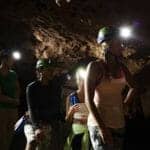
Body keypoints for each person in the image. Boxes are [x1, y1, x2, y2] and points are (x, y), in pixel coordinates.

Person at [85, 26, 138, 150]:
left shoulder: (122, 68)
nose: (122, 45)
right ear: (107, 44)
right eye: (118, 42)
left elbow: (134, 87)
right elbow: (88, 100)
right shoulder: (95, 67)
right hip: (99, 123)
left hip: (118, 123)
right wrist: (102, 128)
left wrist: (125, 104)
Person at [24, 58, 65, 150]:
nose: (52, 72)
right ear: (40, 70)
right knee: (32, 141)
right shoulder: (32, 87)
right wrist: (37, 127)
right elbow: (31, 109)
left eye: (52, 70)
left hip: (48, 122)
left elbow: (57, 106)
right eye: (49, 70)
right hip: (32, 121)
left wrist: (61, 120)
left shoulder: (56, 87)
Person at [64, 67, 90, 150]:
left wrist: (88, 120)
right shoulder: (71, 97)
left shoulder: (92, 96)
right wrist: (71, 112)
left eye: (85, 80)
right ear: (77, 81)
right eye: (80, 79)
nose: (83, 82)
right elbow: (67, 120)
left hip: (90, 131)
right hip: (76, 132)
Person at [0, 50, 20, 150]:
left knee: (10, 137)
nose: (12, 62)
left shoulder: (13, 74)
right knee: (2, 137)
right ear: (4, 60)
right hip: (2, 110)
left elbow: (17, 88)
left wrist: (15, 99)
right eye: (11, 59)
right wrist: (13, 100)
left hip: (12, 109)